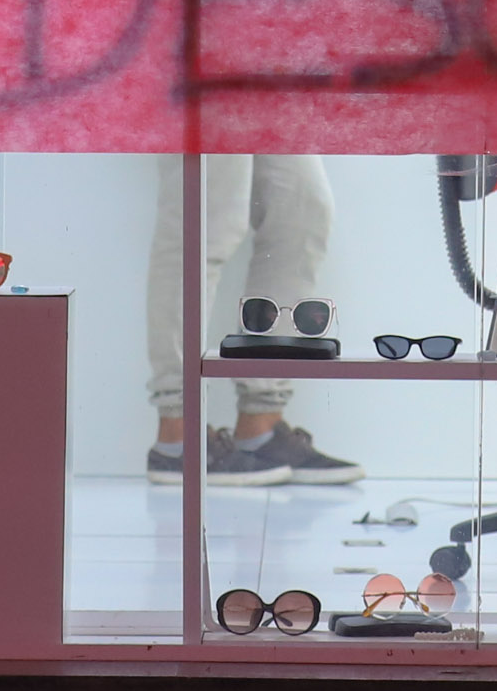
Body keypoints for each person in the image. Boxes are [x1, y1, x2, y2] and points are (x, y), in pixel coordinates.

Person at [145, 154, 362, 487]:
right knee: (207, 218)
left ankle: (261, 425)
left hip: (272, 97)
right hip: (198, 99)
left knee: (301, 211)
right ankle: (178, 431)